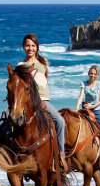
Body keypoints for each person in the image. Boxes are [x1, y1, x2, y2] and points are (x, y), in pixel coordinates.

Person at [17, 33, 68, 170]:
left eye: (33, 45)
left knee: (60, 121)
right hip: (26, 102)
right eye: (27, 45)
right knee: (4, 119)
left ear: (37, 47)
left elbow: (46, 80)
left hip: (43, 100)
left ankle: (60, 155)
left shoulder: (44, 63)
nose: (30, 48)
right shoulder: (21, 65)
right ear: (23, 47)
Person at [75, 65, 100, 166]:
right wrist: (76, 109)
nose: (92, 75)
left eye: (94, 74)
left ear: (97, 75)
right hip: (85, 109)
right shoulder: (84, 84)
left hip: (96, 110)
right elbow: (80, 97)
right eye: (91, 73)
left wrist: (92, 106)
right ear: (88, 73)